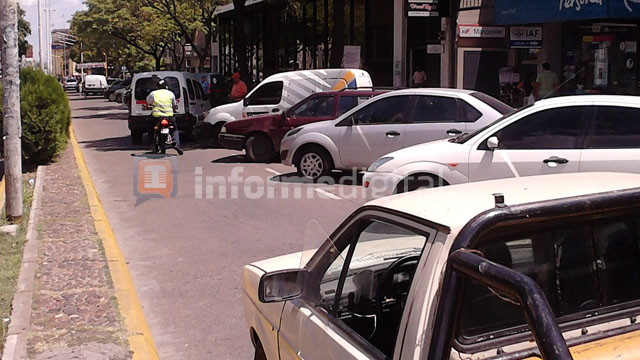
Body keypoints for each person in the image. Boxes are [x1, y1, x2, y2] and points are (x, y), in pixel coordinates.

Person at [146, 79, 183, 155]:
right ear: (166, 86)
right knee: (174, 129)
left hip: (157, 116)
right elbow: (174, 104)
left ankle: (151, 140)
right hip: (169, 116)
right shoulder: (170, 93)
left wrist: (150, 105)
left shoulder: (153, 93)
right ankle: (176, 143)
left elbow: (148, 101)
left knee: (149, 124)